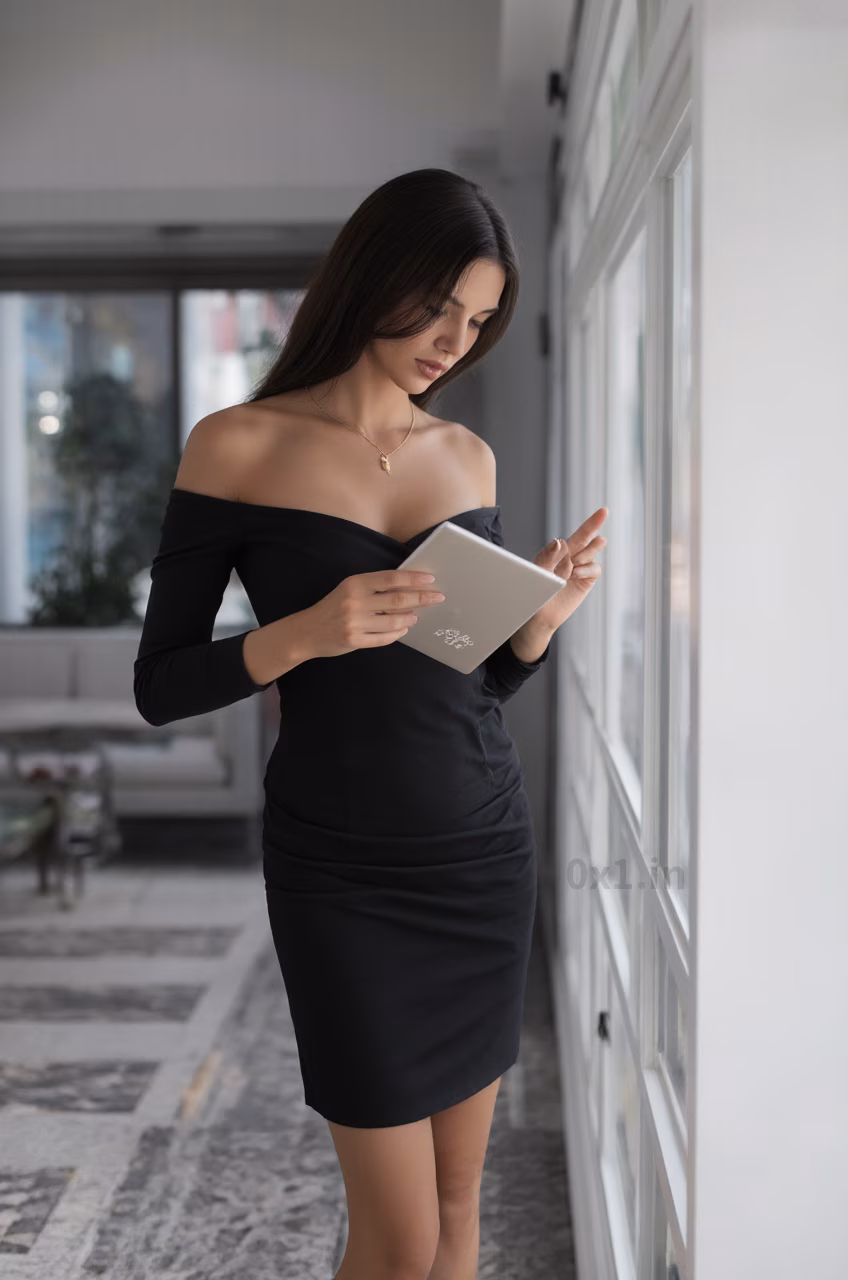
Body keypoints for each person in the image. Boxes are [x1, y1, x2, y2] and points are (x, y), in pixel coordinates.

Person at [134, 167, 607, 1280]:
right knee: (394, 1244)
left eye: (480, 319)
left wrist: (538, 623)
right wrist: (305, 631)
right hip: (340, 872)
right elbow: (161, 684)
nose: (455, 338)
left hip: (481, 850)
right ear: (374, 274)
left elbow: (468, 682)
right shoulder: (236, 444)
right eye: (439, 305)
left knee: (456, 1225)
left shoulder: (465, 456)